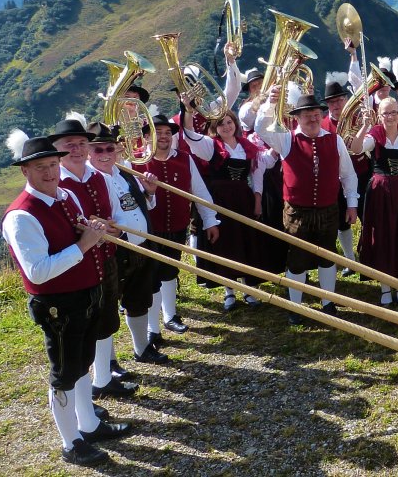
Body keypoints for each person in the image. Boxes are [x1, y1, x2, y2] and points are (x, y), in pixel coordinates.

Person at [1, 132, 130, 466]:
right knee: (63, 372)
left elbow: (77, 232)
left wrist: (94, 230)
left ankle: (88, 425)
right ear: (24, 172)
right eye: (41, 167)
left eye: (53, 165)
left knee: (82, 364)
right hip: (57, 304)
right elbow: (38, 272)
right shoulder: (21, 216)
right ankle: (70, 443)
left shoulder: (66, 196)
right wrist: (86, 243)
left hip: (85, 293)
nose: (50, 172)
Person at [51, 116, 138, 400]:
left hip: (107, 260)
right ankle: (85, 396)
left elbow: (116, 215)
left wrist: (113, 227)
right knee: (83, 332)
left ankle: (103, 379)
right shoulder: (56, 183)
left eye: (81, 144)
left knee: (106, 321)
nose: (76, 149)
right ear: (58, 150)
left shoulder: (100, 177)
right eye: (69, 145)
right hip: (79, 267)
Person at [255, 92, 360, 324]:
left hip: (328, 209)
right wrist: (271, 102)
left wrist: (351, 203)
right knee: (297, 259)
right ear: (297, 118)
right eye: (306, 116)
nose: (312, 119)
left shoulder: (335, 140)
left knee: (327, 255)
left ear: (322, 116)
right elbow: (260, 127)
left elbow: (348, 175)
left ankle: (328, 303)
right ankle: (296, 307)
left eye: (316, 115)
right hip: (297, 212)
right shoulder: (286, 139)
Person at [85, 123, 169, 366]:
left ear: (117, 150)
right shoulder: (90, 180)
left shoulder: (123, 172)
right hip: (115, 251)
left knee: (140, 299)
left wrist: (150, 193)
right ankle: (108, 363)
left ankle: (141, 348)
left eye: (109, 148)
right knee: (108, 309)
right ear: (89, 152)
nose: (104, 154)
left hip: (141, 245)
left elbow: (141, 206)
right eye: (97, 150)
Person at [140, 113, 220, 344]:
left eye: (167, 133)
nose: (163, 137)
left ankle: (170, 316)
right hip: (148, 231)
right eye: (157, 133)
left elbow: (200, 192)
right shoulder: (135, 162)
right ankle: (152, 329)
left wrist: (211, 220)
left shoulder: (185, 159)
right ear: (146, 137)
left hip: (177, 226)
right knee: (152, 277)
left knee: (170, 272)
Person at [350, 97, 398, 306]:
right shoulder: (374, 136)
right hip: (380, 191)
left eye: (393, 112)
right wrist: (364, 125)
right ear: (379, 115)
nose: (390, 117)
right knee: (382, 236)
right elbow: (356, 149)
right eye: (385, 113)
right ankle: (384, 286)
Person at [198, 110, 274, 310]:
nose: (226, 126)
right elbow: (190, 138)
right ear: (215, 128)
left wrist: (257, 201)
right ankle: (229, 291)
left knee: (246, 241)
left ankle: (249, 290)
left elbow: (258, 172)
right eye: (221, 124)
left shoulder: (248, 146)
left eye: (229, 122)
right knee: (226, 243)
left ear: (235, 124)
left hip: (242, 198)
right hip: (220, 199)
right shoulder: (211, 146)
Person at [321, 74, 367, 269]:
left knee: (368, 216)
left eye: (339, 100)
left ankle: (371, 255)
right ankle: (350, 259)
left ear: (346, 100)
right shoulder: (322, 125)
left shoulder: (358, 119)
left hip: (363, 173)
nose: (336, 105)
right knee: (342, 220)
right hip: (337, 180)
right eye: (332, 102)